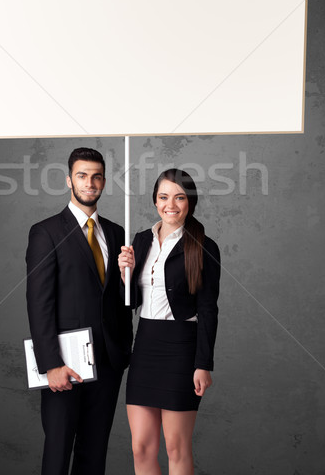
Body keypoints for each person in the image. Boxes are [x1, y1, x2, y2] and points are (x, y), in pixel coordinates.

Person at [26, 147, 133, 475]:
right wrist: (51, 365)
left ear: (104, 181)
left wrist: (130, 276)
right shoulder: (46, 232)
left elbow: (121, 300)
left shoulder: (116, 233)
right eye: (83, 176)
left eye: (97, 176)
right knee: (58, 452)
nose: (90, 183)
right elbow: (38, 302)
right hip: (65, 365)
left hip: (107, 363)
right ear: (69, 180)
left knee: (93, 453)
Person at [118, 168, 220, 475]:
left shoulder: (203, 246)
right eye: (163, 197)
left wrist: (204, 363)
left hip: (181, 349)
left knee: (176, 447)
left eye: (179, 197)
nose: (170, 204)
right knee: (141, 447)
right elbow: (133, 303)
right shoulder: (139, 240)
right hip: (145, 344)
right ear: (155, 201)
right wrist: (126, 274)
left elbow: (209, 309)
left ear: (190, 202)